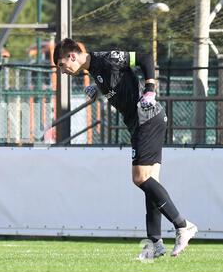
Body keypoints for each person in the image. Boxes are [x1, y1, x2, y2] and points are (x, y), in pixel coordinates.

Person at [53, 38, 198, 260]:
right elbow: (118, 83)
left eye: (62, 65)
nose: (63, 71)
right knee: (151, 182)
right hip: (143, 121)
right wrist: (98, 88)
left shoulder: (107, 58)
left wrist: (150, 89)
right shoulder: (94, 69)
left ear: (72, 56)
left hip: (146, 118)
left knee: (139, 178)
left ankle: (183, 225)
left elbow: (145, 57)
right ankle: (155, 243)